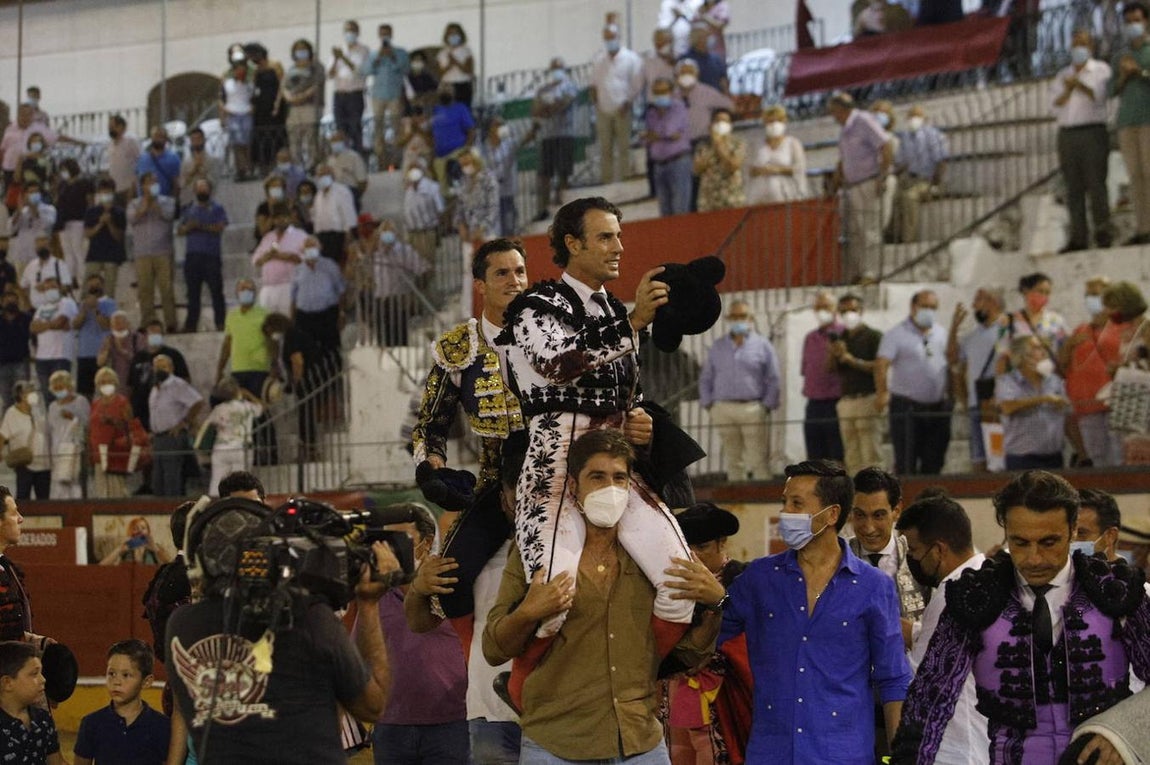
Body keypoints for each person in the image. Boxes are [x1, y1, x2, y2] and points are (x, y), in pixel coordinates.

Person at [497, 197, 701, 698]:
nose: (619, 247)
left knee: (680, 588)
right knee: (553, 601)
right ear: (573, 244)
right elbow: (555, 363)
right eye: (606, 237)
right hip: (554, 466)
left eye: (619, 236)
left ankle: (635, 681)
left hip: (615, 466)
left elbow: (630, 390)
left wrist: (643, 422)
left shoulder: (614, 310)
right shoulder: (535, 306)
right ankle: (519, 685)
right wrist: (632, 324)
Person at [483, 428, 724, 761]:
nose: (610, 489)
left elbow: (688, 656)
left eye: (619, 478)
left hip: (639, 739)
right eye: (597, 477)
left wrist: (716, 604)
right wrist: (528, 612)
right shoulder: (538, 554)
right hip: (557, 741)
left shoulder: (653, 560)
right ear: (573, 486)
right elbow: (494, 649)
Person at [891, 470, 1150, 764]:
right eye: (1020, 543)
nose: (1034, 558)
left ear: (1074, 530)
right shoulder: (974, 598)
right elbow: (927, 706)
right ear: (1005, 531)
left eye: (1049, 542)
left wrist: (1124, 732)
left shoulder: (1118, 590)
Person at [167, 497, 395, 764]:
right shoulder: (311, 617)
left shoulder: (181, 625)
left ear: (199, 563)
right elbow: (373, 705)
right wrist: (368, 604)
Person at [720, 459, 912, 763]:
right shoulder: (758, 579)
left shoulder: (874, 587)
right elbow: (705, 641)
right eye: (784, 502)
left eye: (797, 503)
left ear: (831, 514)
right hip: (772, 754)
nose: (786, 513)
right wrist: (711, 599)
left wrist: (903, 757)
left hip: (843, 754)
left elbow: (892, 679)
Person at [405, 452, 522, 765]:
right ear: (502, 498)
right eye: (518, 494)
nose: (527, 503)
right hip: (490, 715)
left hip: (565, 717)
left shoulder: (574, 546)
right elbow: (420, 622)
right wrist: (419, 588)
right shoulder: (466, 554)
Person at [411, 238, 527, 491]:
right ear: (480, 285)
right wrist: (434, 460)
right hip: (495, 480)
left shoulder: (553, 335)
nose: (514, 281)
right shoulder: (459, 348)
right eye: (502, 273)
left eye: (520, 272)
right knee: (463, 534)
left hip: (558, 473)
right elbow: (433, 422)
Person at [360, 503, 469, 765]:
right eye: (385, 540)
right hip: (390, 726)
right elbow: (359, 651)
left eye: (400, 539)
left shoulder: (448, 583)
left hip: (451, 723)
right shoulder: (374, 592)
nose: (391, 549)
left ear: (426, 542)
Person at [894, 493, 989, 765]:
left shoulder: (951, 594)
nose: (912, 559)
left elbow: (920, 674)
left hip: (956, 749)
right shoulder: (987, 578)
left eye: (913, 550)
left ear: (938, 549)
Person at [666, 502, 749, 765]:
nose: (693, 556)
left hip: (725, 694)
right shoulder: (667, 582)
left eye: (701, 547)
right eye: (686, 548)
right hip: (674, 693)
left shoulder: (743, 579)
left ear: (721, 543)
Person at [699, 299, 782, 481]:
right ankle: (736, 496)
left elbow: (773, 377)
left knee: (758, 457)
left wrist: (765, 406)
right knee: (732, 458)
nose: (739, 320)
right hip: (723, 408)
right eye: (735, 316)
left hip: (753, 407)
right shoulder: (718, 346)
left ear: (751, 318)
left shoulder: (763, 346)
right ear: (729, 318)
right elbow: (706, 377)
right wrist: (709, 404)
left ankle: (761, 496)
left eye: (743, 316)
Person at [847, 467, 927, 649]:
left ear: (896, 510)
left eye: (878, 515)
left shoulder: (919, 556)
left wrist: (914, 632)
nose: (869, 528)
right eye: (860, 515)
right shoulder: (838, 558)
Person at [875, 289, 952, 475]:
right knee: (906, 463)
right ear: (913, 307)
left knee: (934, 463)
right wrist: (882, 392)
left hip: (937, 408)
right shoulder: (896, 334)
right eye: (924, 306)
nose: (929, 311)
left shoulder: (941, 333)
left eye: (933, 307)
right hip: (906, 408)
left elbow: (948, 365)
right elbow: (881, 364)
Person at [1051, 31, 1113, 252]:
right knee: (1073, 188)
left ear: (1091, 47)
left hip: (1092, 131)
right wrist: (1069, 88)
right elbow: (1055, 105)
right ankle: (1079, 237)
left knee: (1096, 184)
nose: (1079, 48)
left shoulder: (1101, 70)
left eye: (1083, 44)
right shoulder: (1062, 74)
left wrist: (1080, 85)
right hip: (1067, 133)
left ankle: (1103, 231)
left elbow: (1100, 97)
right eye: (1076, 44)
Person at [828, 92, 893, 284]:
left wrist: (882, 176)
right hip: (852, 185)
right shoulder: (845, 129)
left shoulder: (864, 120)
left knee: (869, 229)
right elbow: (844, 159)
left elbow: (885, 145)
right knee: (855, 232)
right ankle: (859, 271)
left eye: (834, 112)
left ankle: (872, 273)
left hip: (869, 181)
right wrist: (836, 182)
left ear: (842, 109)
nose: (833, 117)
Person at [73, 639, 169, 765]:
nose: (116, 682)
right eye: (111, 673)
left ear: (146, 681)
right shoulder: (91, 724)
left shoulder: (162, 726)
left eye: (126, 675)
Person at [1061, 277, 1121, 467]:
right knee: (1096, 459)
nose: (1090, 299)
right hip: (1087, 407)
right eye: (1088, 295)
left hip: (1116, 405)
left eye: (1095, 294)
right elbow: (1063, 367)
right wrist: (1069, 345)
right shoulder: (1080, 329)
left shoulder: (1122, 328)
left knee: (1118, 458)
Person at [949, 287, 1008, 472]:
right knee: (978, 457)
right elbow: (953, 359)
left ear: (993, 302)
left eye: (978, 300)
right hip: (977, 403)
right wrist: (954, 327)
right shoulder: (971, 337)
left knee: (998, 457)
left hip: (1000, 404)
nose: (974, 306)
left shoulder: (1007, 330)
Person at [997, 335, 1069, 470]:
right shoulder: (1008, 381)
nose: (1044, 352)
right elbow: (1007, 407)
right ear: (1023, 355)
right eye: (1037, 348)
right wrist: (1044, 399)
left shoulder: (1054, 381)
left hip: (1053, 456)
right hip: (1022, 458)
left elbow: (1067, 415)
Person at [831, 292, 883, 474]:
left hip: (867, 397)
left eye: (853, 310)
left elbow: (879, 366)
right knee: (851, 453)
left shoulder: (873, 336)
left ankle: (876, 493)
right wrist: (833, 352)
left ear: (861, 311)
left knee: (871, 452)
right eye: (844, 311)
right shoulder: (840, 338)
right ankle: (855, 495)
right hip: (846, 400)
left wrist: (852, 360)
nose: (848, 315)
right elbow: (831, 369)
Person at [1112, 2, 1150, 245]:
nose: (1132, 26)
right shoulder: (1120, 55)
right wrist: (1125, 76)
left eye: (1136, 20)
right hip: (1127, 121)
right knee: (1135, 176)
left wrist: (1140, 72)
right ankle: (1143, 228)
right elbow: (1110, 90)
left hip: (1148, 119)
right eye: (1128, 22)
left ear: (1146, 21)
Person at [591, 21, 643, 184]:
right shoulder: (599, 60)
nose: (609, 41)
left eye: (612, 37)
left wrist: (627, 102)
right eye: (606, 38)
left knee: (623, 147)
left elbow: (637, 84)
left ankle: (626, 178)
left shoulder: (630, 58)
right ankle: (607, 181)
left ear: (619, 37)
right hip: (603, 111)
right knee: (605, 149)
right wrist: (597, 104)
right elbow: (593, 85)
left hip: (623, 109)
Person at [891, 105, 949, 244]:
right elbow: (900, 163)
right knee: (893, 196)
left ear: (924, 119)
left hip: (927, 180)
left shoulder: (934, 135)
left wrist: (935, 184)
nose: (912, 119)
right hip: (909, 179)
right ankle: (892, 235)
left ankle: (908, 239)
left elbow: (942, 162)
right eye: (910, 116)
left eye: (916, 116)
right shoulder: (905, 137)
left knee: (909, 197)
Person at [0, 641, 65, 765]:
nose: (43, 680)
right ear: (7, 683)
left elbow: (56, 762)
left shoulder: (43, 719)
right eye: (34, 674)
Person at [127, 172, 177, 332]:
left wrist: (156, 204)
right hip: (142, 254)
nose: (152, 185)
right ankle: (148, 322)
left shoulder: (168, 201)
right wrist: (145, 204)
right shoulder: (134, 204)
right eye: (149, 182)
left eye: (155, 182)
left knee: (166, 289)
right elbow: (132, 219)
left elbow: (169, 216)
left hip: (163, 251)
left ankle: (170, 323)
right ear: (143, 186)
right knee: (145, 290)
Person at [148, 354, 204, 497]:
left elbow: (197, 402)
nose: (160, 370)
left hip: (173, 437)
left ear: (171, 368)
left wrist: (184, 423)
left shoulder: (177, 384)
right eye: (157, 367)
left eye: (163, 367)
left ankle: (172, 511)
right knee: (158, 480)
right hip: (159, 438)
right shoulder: (155, 387)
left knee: (172, 479)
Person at [178, 178, 229, 332]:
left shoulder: (217, 208)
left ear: (210, 190)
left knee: (216, 291)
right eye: (199, 187)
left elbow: (220, 227)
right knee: (193, 293)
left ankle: (220, 323)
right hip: (192, 256)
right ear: (194, 190)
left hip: (211, 256)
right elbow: (180, 231)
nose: (202, 190)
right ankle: (191, 325)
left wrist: (199, 226)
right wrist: (188, 227)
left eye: (204, 187)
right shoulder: (188, 209)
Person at [532, 58, 579, 223]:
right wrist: (548, 109)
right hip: (547, 136)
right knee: (544, 173)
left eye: (559, 68)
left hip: (565, 134)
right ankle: (543, 208)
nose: (556, 71)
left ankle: (564, 207)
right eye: (553, 68)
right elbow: (536, 110)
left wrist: (548, 108)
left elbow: (563, 104)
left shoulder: (570, 86)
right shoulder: (543, 89)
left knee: (563, 172)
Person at [801, 291, 845, 463]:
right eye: (818, 307)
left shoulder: (844, 333)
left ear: (835, 309)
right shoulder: (810, 338)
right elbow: (806, 369)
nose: (822, 311)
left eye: (826, 306)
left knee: (837, 453)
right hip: (813, 403)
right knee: (815, 455)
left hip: (837, 401)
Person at [204, 376, 264, 497]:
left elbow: (209, 425)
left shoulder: (218, 409)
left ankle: (216, 507)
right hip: (241, 448)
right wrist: (248, 395)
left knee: (217, 480)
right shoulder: (246, 407)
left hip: (220, 448)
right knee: (242, 483)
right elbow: (261, 408)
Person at [127, 321, 189, 433]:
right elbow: (131, 385)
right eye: (152, 333)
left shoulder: (173, 355)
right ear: (145, 336)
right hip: (142, 409)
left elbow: (185, 380)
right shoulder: (138, 357)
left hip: (168, 410)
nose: (155, 336)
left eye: (158, 333)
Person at [363, 23, 410, 167]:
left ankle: (398, 159)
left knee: (397, 127)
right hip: (378, 95)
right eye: (382, 34)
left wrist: (393, 57)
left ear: (391, 34)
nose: (385, 36)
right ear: (379, 36)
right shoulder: (373, 54)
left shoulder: (401, 52)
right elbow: (365, 71)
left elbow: (406, 69)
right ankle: (381, 160)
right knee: (378, 128)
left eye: (387, 34)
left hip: (395, 94)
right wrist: (377, 59)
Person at [217, 278, 272, 397]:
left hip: (259, 368)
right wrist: (220, 369)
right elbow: (227, 343)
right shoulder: (231, 316)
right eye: (242, 289)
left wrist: (274, 365)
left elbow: (271, 341)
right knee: (242, 408)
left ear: (255, 293)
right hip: (238, 368)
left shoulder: (264, 314)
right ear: (237, 293)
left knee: (258, 407)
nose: (246, 292)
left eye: (250, 289)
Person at [292, 236, 345, 356]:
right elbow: (293, 296)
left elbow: (341, 290)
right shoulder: (298, 270)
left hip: (327, 314)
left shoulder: (330, 265)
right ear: (303, 250)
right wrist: (293, 318)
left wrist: (341, 312)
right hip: (304, 316)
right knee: (307, 351)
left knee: (331, 350)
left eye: (313, 246)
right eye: (308, 247)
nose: (311, 249)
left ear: (320, 247)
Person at [29, 272, 78, 400]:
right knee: (47, 397)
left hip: (60, 356)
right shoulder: (41, 308)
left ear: (60, 287)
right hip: (42, 357)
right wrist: (52, 324)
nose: (50, 290)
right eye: (47, 288)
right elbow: (33, 328)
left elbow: (61, 322)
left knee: (62, 395)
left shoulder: (67, 303)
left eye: (53, 287)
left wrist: (44, 326)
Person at [748, 105, 810, 204]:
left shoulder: (793, 143)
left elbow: (799, 168)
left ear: (784, 122)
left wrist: (776, 170)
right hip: (760, 199)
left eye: (778, 120)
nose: (774, 124)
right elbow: (749, 170)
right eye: (770, 121)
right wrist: (760, 170)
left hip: (787, 197)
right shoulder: (757, 145)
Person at [88, 367, 134, 499]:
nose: (106, 384)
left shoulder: (122, 402)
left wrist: (112, 421)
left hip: (115, 453)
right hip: (98, 453)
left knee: (117, 491)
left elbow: (130, 427)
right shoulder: (95, 404)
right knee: (101, 490)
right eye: (102, 382)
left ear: (115, 383)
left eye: (109, 381)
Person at [252, 204, 306, 315]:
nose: (280, 220)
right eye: (277, 218)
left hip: (289, 286)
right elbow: (256, 260)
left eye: (283, 217)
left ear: (290, 217)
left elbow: (306, 258)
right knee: (268, 324)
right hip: (268, 287)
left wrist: (284, 256)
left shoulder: (300, 235)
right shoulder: (268, 237)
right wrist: (269, 255)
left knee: (288, 323)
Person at [0, 383, 50, 500]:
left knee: (44, 500)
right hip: (25, 462)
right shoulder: (12, 413)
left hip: (44, 463)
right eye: (30, 391)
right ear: (21, 395)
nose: (34, 394)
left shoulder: (39, 411)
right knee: (23, 498)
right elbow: (3, 435)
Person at [481, 115, 529, 237]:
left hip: (507, 192)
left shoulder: (509, 143)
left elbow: (524, 140)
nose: (501, 127)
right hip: (491, 195)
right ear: (490, 129)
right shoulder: (483, 149)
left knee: (509, 226)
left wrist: (534, 128)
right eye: (497, 125)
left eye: (502, 124)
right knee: (494, 229)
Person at [45, 370, 89, 500]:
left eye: (61, 387)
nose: (59, 390)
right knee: (58, 481)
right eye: (56, 388)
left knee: (74, 480)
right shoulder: (52, 406)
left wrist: (73, 417)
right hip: (56, 449)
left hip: (74, 447)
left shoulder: (80, 401)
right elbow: (50, 429)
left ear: (69, 386)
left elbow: (87, 423)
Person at [693, 107, 746, 213]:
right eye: (718, 120)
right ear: (711, 125)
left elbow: (733, 165)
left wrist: (719, 145)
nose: (721, 123)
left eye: (725, 121)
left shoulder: (738, 144)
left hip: (732, 200)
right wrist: (713, 144)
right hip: (708, 203)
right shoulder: (703, 146)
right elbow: (697, 169)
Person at [329, 20, 371, 154]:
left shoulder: (364, 50)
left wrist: (343, 58)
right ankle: (343, 155)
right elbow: (330, 74)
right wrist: (336, 59)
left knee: (354, 128)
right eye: (347, 30)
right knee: (340, 128)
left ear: (357, 32)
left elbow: (359, 71)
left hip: (355, 94)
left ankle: (357, 155)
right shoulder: (338, 50)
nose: (349, 33)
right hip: (339, 94)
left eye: (352, 30)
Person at [283, 38, 325, 168]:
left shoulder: (316, 68)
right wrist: (290, 98)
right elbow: (284, 86)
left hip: (310, 107)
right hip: (293, 109)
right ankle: (297, 165)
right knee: (294, 140)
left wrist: (302, 96)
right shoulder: (291, 69)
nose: (301, 52)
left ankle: (312, 164)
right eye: (298, 50)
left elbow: (317, 85)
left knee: (311, 139)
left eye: (303, 49)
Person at [72, 274, 115, 399]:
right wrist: (85, 310)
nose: (94, 287)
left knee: (105, 391)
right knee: (85, 394)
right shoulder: (82, 305)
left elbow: (107, 325)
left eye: (97, 285)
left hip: (102, 354)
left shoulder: (110, 303)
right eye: (91, 285)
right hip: (84, 354)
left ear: (103, 286)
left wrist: (96, 308)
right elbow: (76, 325)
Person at [247, 42, 287, 174]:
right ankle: (263, 165)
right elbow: (254, 88)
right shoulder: (256, 70)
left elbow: (282, 84)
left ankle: (278, 162)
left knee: (276, 134)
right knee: (261, 136)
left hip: (274, 105)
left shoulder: (275, 65)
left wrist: (277, 103)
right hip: (260, 107)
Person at [83, 179, 127, 296]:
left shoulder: (119, 212)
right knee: (88, 290)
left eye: (108, 192)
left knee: (109, 291)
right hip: (94, 254)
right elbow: (88, 234)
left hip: (112, 255)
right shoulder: (91, 211)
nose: (105, 195)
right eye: (103, 192)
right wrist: (100, 223)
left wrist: (110, 222)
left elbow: (119, 237)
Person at [52, 158, 93, 283]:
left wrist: (89, 221)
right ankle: (70, 278)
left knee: (78, 251)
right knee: (67, 252)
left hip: (79, 221)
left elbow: (90, 202)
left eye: (64, 170)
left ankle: (83, 279)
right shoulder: (62, 185)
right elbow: (57, 201)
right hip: (64, 222)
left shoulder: (84, 183)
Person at [220, 45, 256, 179]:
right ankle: (240, 169)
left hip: (246, 113)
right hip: (233, 114)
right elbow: (222, 99)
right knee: (237, 143)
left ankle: (249, 168)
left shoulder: (250, 83)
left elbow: (253, 97)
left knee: (247, 143)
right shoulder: (227, 82)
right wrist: (223, 116)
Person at [311, 165, 358, 265]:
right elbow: (317, 219)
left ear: (332, 176)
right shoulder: (318, 195)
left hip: (338, 236)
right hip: (322, 237)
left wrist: (347, 240)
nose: (322, 177)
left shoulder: (342, 191)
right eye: (320, 175)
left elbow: (349, 218)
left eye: (325, 174)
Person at [454, 150, 500, 245]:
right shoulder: (463, 182)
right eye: (462, 165)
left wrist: (481, 228)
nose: (465, 167)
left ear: (476, 160)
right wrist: (460, 225)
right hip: (469, 236)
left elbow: (493, 208)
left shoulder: (488, 179)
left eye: (467, 163)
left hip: (488, 234)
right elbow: (459, 208)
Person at [10, 182, 58, 270]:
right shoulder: (22, 211)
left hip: (40, 254)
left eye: (36, 192)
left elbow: (46, 224)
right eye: (30, 192)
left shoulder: (49, 209)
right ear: (25, 194)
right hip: (22, 254)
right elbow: (11, 229)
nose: (33, 194)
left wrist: (33, 207)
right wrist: (18, 211)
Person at [0, 287, 31, 411]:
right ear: (2, 303)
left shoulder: (26, 319)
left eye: (13, 301)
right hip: (2, 364)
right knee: (6, 400)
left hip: (21, 362)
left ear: (18, 302)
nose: (10, 304)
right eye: (7, 301)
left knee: (22, 398)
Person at [177, 126, 223, 210]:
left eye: (199, 139)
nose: (196, 142)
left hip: (207, 202)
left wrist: (202, 169)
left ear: (204, 139)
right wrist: (194, 169)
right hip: (189, 202)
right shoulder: (185, 162)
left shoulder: (212, 160)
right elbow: (182, 183)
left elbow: (214, 182)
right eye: (193, 140)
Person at [1075, 488, 1123, 561]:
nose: (1071, 542)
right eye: (1068, 533)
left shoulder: (1127, 572)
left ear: (1110, 536)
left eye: (1081, 533)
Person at [103, 115, 141, 206]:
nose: (110, 130)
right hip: (114, 190)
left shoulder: (130, 142)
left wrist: (133, 187)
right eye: (109, 127)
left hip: (128, 189)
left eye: (112, 127)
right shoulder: (110, 145)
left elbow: (139, 164)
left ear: (121, 127)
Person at [135, 126, 181, 201]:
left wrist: (173, 202)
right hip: (143, 202)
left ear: (166, 139)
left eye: (161, 136)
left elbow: (176, 182)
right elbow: (137, 179)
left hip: (164, 202)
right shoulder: (142, 158)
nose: (158, 139)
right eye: (156, 136)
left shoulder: (173, 158)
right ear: (151, 138)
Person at [326, 129, 369, 208]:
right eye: (333, 141)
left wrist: (355, 196)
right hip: (335, 195)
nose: (335, 144)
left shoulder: (353, 157)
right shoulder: (330, 160)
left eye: (337, 140)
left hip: (351, 193)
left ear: (344, 142)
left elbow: (362, 181)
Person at [680, 25, 728, 93]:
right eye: (704, 36)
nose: (707, 38)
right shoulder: (685, 59)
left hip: (716, 99)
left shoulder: (716, 59)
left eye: (708, 36)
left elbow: (723, 81)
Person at [438, 23, 476, 106]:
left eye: (456, 33)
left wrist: (456, 62)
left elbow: (469, 70)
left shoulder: (466, 51)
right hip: (447, 86)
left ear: (461, 35)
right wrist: (450, 65)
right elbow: (440, 73)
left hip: (463, 85)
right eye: (451, 33)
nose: (453, 36)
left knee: (463, 110)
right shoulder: (442, 52)